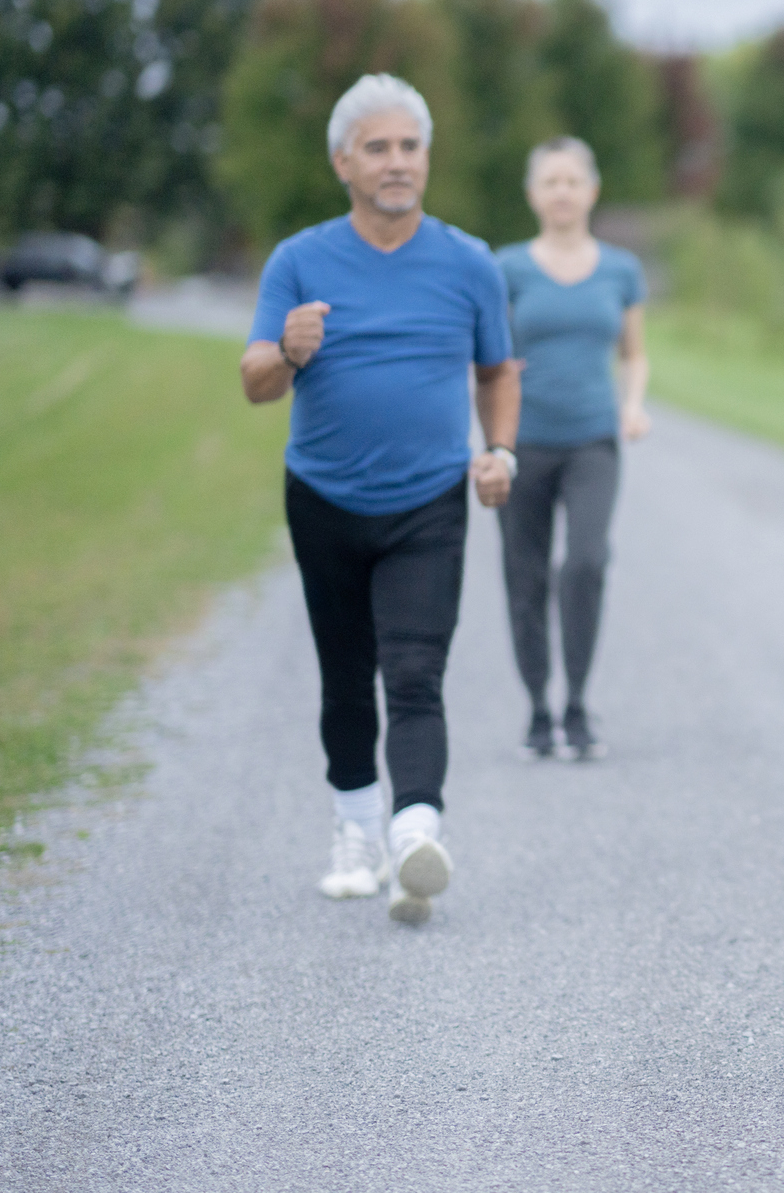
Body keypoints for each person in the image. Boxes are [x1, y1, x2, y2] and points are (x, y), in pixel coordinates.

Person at [240, 74, 518, 925]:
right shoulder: (299, 260)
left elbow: (497, 369)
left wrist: (499, 448)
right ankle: (354, 833)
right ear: (343, 162)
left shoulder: (470, 262)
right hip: (322, 496)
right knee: (343, 674)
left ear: (426, 159)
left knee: (414, 670)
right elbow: (254, 384)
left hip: (428, 500)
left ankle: (414, 837)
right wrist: (287, 350)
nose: (397, 163)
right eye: (378, 148)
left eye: (410, 147)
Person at [494, 136, 650, 760]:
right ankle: (538, 708)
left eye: (572, 181)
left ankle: (578, 705)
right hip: (523, 442)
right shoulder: (507, 268)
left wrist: (632, 404)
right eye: (549, 182)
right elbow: (489, 361)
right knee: (524, 577)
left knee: (585, 564)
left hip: (593, 440)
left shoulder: (620, 269)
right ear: (533, 194)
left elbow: (633, 354)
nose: (561, 193)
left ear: (592, 190)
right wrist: (488, 439)